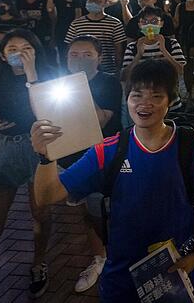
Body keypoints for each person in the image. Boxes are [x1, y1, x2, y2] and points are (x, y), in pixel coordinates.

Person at [30, 59, 194, 303]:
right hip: (123, 273)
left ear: (170, 101)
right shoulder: (109, 151)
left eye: (156, 96)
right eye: (137, 95)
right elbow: (46, 195)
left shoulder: (189, 144)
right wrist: (45, 157)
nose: (145, 104)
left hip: (176, 267)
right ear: (127, 99)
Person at [0, 29, 56, 302]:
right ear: (3, 56)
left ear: (36, 51)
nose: (19, 53)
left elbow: (45, 112)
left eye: (26, 47)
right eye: (12, 49)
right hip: (4, 150)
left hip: (36, 148)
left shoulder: (48, 77)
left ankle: (39, 262)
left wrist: (31, 75)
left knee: (40, 214)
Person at [62, 36, 123, 293]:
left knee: (109, 211)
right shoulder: (58, 84)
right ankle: (99, 259)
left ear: (99, 57)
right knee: (88, 212)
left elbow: (100, 121)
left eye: (87, 55)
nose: (80, 59)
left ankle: (120, 256)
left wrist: (80, 87)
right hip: (71, 157)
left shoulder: (109, 83)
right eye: (74, 54)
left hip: (103, 159)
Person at [65, 0, 127, 76]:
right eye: (90, 0)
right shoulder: (76, 24)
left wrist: (117, 71)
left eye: (98, 1)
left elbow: (118, 52)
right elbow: (69, 48)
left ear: (106, 3)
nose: (93, 3)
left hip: (107, 71)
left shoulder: (114, 23)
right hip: (81, 71)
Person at [46, 0, 82, 66]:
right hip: (59, 27)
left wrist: (76, 30)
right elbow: (50, 9)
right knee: (62, 55)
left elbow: (78, 13)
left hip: (71, 27)